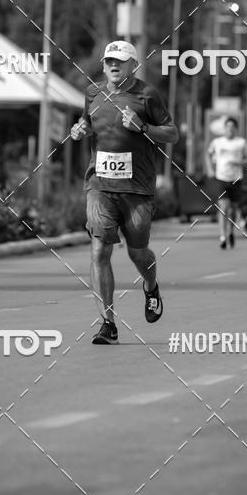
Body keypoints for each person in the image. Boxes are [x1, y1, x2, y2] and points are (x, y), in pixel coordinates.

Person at [70, 40, 179, 344]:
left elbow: (172, 133)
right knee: (98, 250)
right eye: (108, 61)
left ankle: (151, 284)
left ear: (133, 65)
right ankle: (108, 324)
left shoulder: (147, 95)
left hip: (138, 189)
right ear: (103, 65)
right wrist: (80, 129)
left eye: (119, 61)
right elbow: (88, 122)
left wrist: (143, 127)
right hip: (99, 185)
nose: (113, 66)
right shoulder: (93, 92)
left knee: (138, 253)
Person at [205, 117, 247, 248]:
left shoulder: (241, 142)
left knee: (233, 209)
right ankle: (223, 236)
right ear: (224, 129)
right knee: (223, 208)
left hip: (236, 178)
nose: (229, 129)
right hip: (221, 178)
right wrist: (209, 169)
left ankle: (231, 232)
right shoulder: (217, 142)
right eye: (227, 127)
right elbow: (208, 154)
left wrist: (239, 162)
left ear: (236, 128)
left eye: (232, 127)